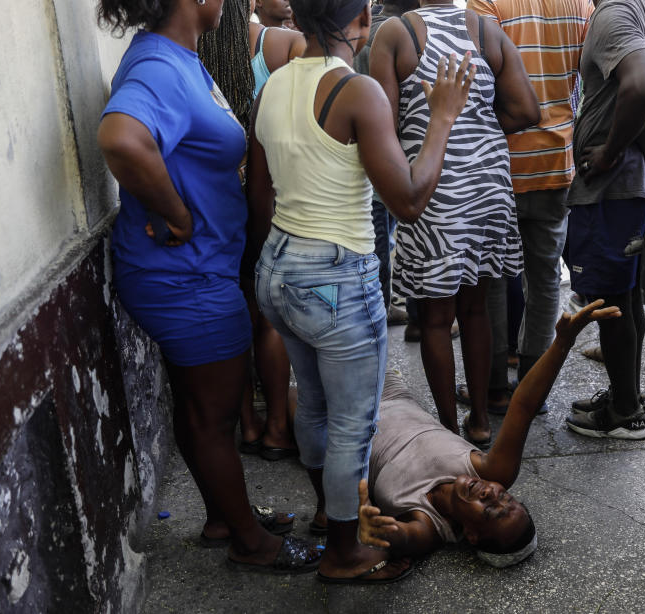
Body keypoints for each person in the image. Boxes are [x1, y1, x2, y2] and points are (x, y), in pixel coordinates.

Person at [246, 0, 476, 583]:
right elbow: (407, 199)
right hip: (335, 279)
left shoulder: (272, 84)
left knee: (317, 405)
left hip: (278, 268)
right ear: (361, 23)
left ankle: (331, 511)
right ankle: (344, 554)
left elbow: (260, 192)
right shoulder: (359, 93)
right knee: (354, 421)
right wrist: (443, 116)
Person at [97, 0, 320, 573]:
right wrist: (178, 215)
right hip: (185, 276)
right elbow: (122, 138)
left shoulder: (178, 58)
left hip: (199, 270)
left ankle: (227, 516)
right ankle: (249, 541)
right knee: (214, 414)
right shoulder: (160, 66)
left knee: (203, 407)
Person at [369, 1, 539, 446]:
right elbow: (527, 110)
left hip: (434, 183)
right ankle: (480, 420)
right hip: (488, 183)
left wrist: (431, 131)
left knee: (436, 318)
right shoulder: (487, 32)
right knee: (477, 307)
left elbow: (379, 122)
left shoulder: (396, 33)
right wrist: (477, 126)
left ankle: (446, 429)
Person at [354, 300, 621, 567]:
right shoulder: (491, 472)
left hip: (344, 426)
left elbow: (403, 538)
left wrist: (377, 529)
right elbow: (524, 406)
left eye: (491, 510)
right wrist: (563, 342)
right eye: (504, 496)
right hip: (388, 388)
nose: (491, 494)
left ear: (471, 534)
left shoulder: (428, 525)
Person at [562, 0, 645, 440]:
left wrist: (612, 148)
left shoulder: (613, 15)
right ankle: (626, 396)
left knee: (611, 301)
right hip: (642, 179)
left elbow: (644, 84)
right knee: (626, 295)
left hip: (616, 186)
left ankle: (623, 410)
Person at [464, 0, 594, 413]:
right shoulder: (581, 5)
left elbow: (482, 77)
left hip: (502, 160)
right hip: (558, 160)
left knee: (495, 280)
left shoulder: (485, 4)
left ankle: (496, 387)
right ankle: (533, 387)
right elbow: (587, 79)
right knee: (545, 281)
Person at [197, 0, 306, 462]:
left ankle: (248, 425)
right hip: (275, 201)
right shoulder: (284, 46)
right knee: (272, 320)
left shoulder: (189, 48)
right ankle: (279, 425)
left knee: (238, 313)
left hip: (215, 203)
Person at [353, 0, 420, 316]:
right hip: (388, 160)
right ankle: (383, 306)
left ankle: (393, 304)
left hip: (378, 160)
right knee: (382, 238)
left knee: (386, 235)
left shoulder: (372, 28)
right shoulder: (394, 32)